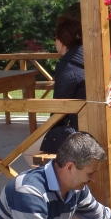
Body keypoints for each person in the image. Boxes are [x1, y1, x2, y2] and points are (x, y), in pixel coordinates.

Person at [40, 16, 86, 153]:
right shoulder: (91, 59)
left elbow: (58, 108)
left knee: (29, 150)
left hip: (81, 133)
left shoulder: (67, 67)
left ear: (61, 42)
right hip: (109, 129)